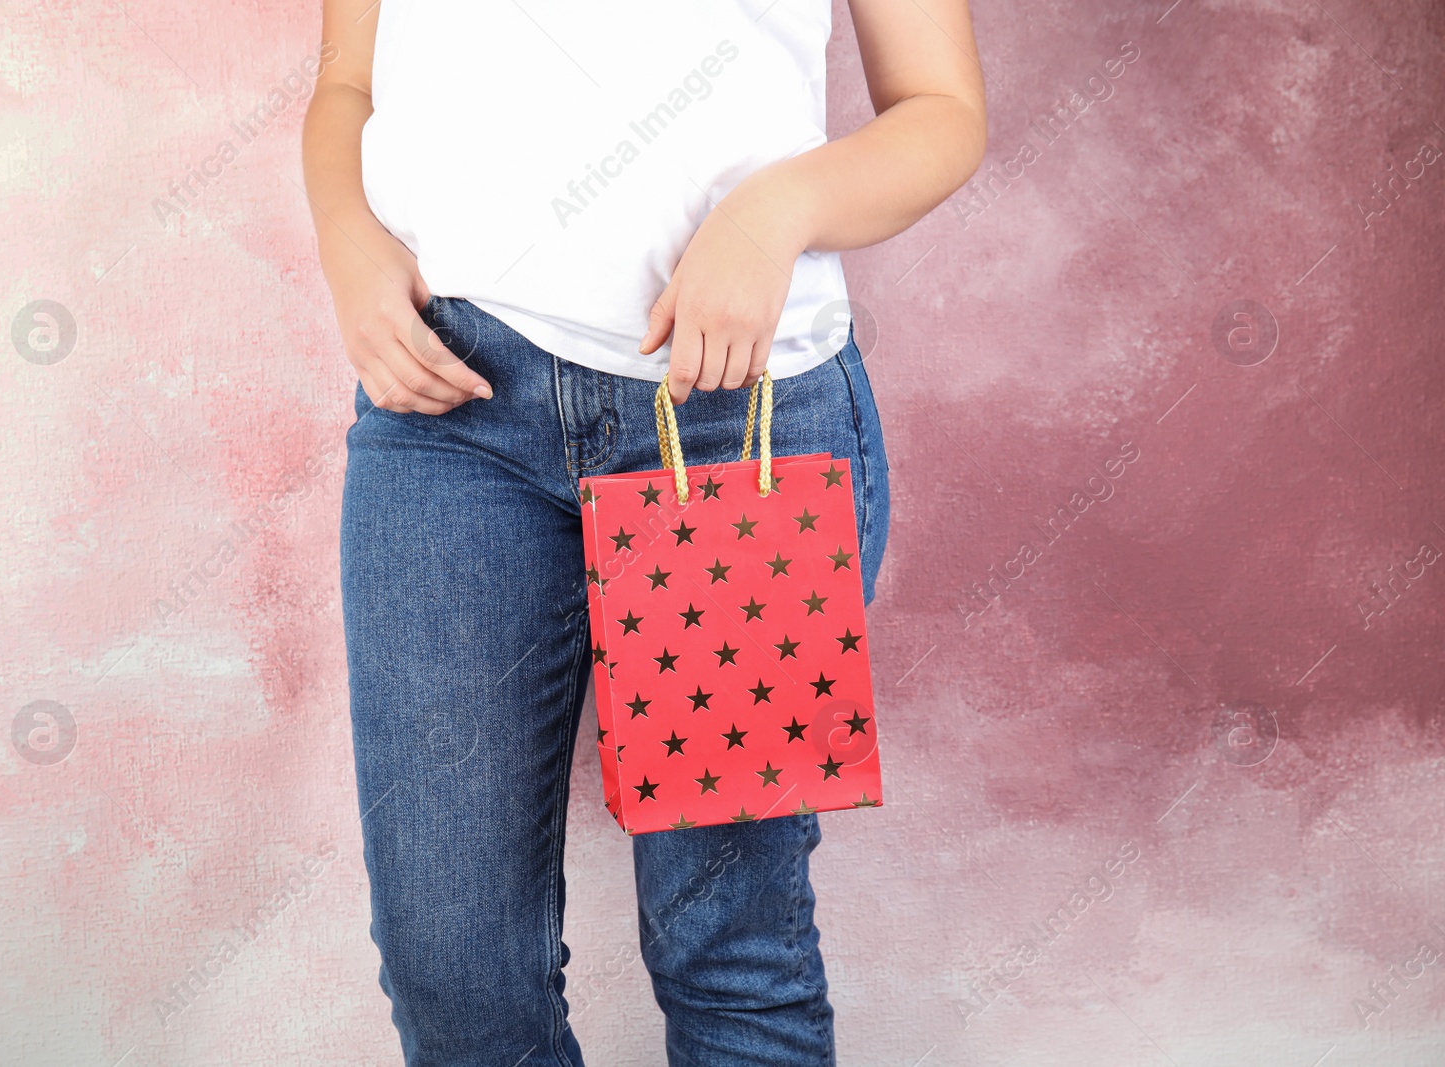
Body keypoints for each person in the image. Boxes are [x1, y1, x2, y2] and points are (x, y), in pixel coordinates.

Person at [301, 1, 985, 1062]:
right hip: (449, 415)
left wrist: (778, 208)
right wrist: (348, 240)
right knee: (451, 962)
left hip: (733, 426)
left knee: (728, 952)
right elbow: (347, 81)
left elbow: (941, 109)